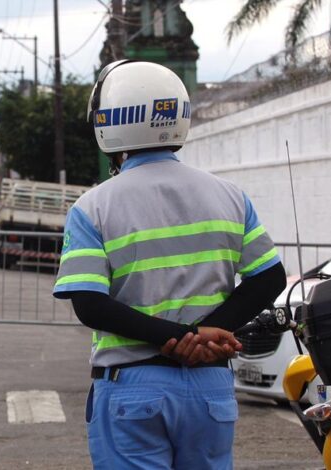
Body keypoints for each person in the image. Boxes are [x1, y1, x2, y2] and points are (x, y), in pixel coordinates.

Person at [53, 61, 287, 469]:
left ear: (109, 123)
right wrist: (205, 336)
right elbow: (269, 278)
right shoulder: (231, 196)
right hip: (210, 384)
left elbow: (89, 304)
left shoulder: (93, 208)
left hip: (133, 385)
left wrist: (178, 338)